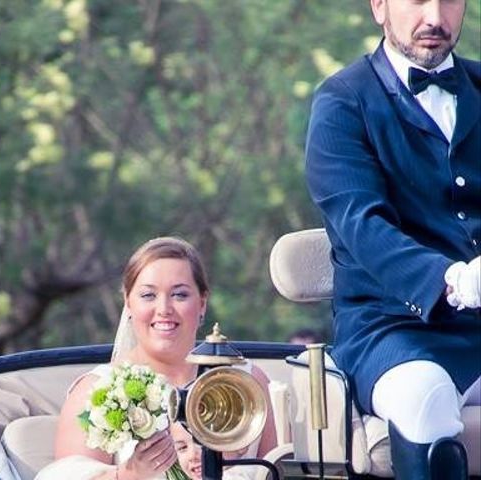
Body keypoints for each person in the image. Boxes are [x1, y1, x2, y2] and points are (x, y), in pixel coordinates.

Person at [305, 0, 480, 478]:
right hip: (392, 330)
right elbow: (363, 226)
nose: (435, 18)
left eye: (449, 1)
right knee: (423, 397)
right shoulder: (342, 102)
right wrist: (456, 282)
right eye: (418, 0)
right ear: (379, 5)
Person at [38, 237, 277, 480]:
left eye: (180, 295)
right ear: (128, 303)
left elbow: (282, 470)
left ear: (202, 303)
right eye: (148, 295)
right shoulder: (96, 391)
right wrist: (129, 475)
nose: (164, 309)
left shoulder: (249, 381)